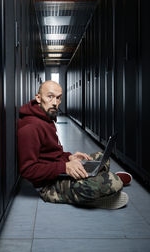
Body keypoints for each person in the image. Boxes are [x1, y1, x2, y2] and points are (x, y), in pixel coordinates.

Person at [17, 80, 131, 209]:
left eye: (58, 98)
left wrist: (70, 158)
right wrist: (64, 167)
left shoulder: (46, 117)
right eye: (50, 96)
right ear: (38, 98)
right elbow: (27, 170)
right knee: (112, 181)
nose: (55, 103)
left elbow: (53, 153)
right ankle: (101, 190)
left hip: (57, 171)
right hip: (48, 185)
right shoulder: (30, 127)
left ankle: (99, 179)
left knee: (100, 157)